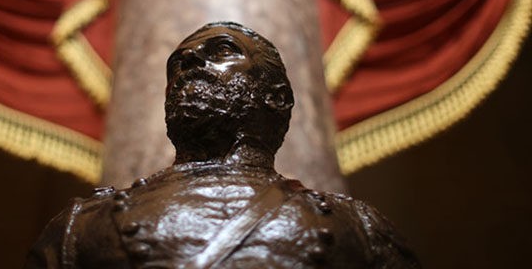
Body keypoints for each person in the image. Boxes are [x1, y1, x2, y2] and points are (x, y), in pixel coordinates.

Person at [25, 22, 420, 268]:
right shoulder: (79, 229)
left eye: (221, 51)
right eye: (178, 63)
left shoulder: (360, 230)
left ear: (278, 97)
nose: (191, 62)